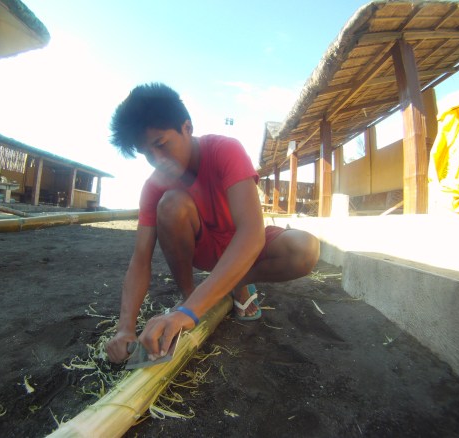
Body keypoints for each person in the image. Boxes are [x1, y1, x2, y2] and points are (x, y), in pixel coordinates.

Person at [106, 83, 320, 364]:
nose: (157, 160)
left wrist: (189, 314)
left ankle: (232, 285)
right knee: (171, 205)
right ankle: (189, 294)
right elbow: (140, 260)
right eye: (147, 154)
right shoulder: (154, 187)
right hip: (205, 248)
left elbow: (252, 234)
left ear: (187, 127)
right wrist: (125, 328)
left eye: (161, 144)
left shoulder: (224, 150)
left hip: (244, 246)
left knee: (305, 248)